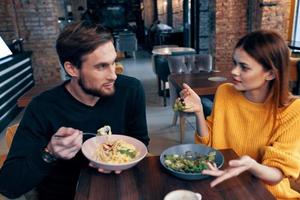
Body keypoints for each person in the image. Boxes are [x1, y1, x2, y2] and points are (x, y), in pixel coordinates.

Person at [0, 21, 149, 200]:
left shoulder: (130, 90)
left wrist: (122, 160)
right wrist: (49, 153)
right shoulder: (43, 107)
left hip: (117, 187)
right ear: (72, 69)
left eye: (113, 62)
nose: (113, 75)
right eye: (101, 66)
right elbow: (8, 185)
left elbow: (140, 141)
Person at [179, 30, 300, 199]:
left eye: (244, 67)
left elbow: (277, 175)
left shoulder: (293, 110)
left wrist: (251, 165)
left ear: (271, 73)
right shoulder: (225, 92)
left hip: (267, 194)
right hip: (225, 185)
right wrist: (199, 111)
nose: (234, 71)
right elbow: (210, 146)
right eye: (234, 63)